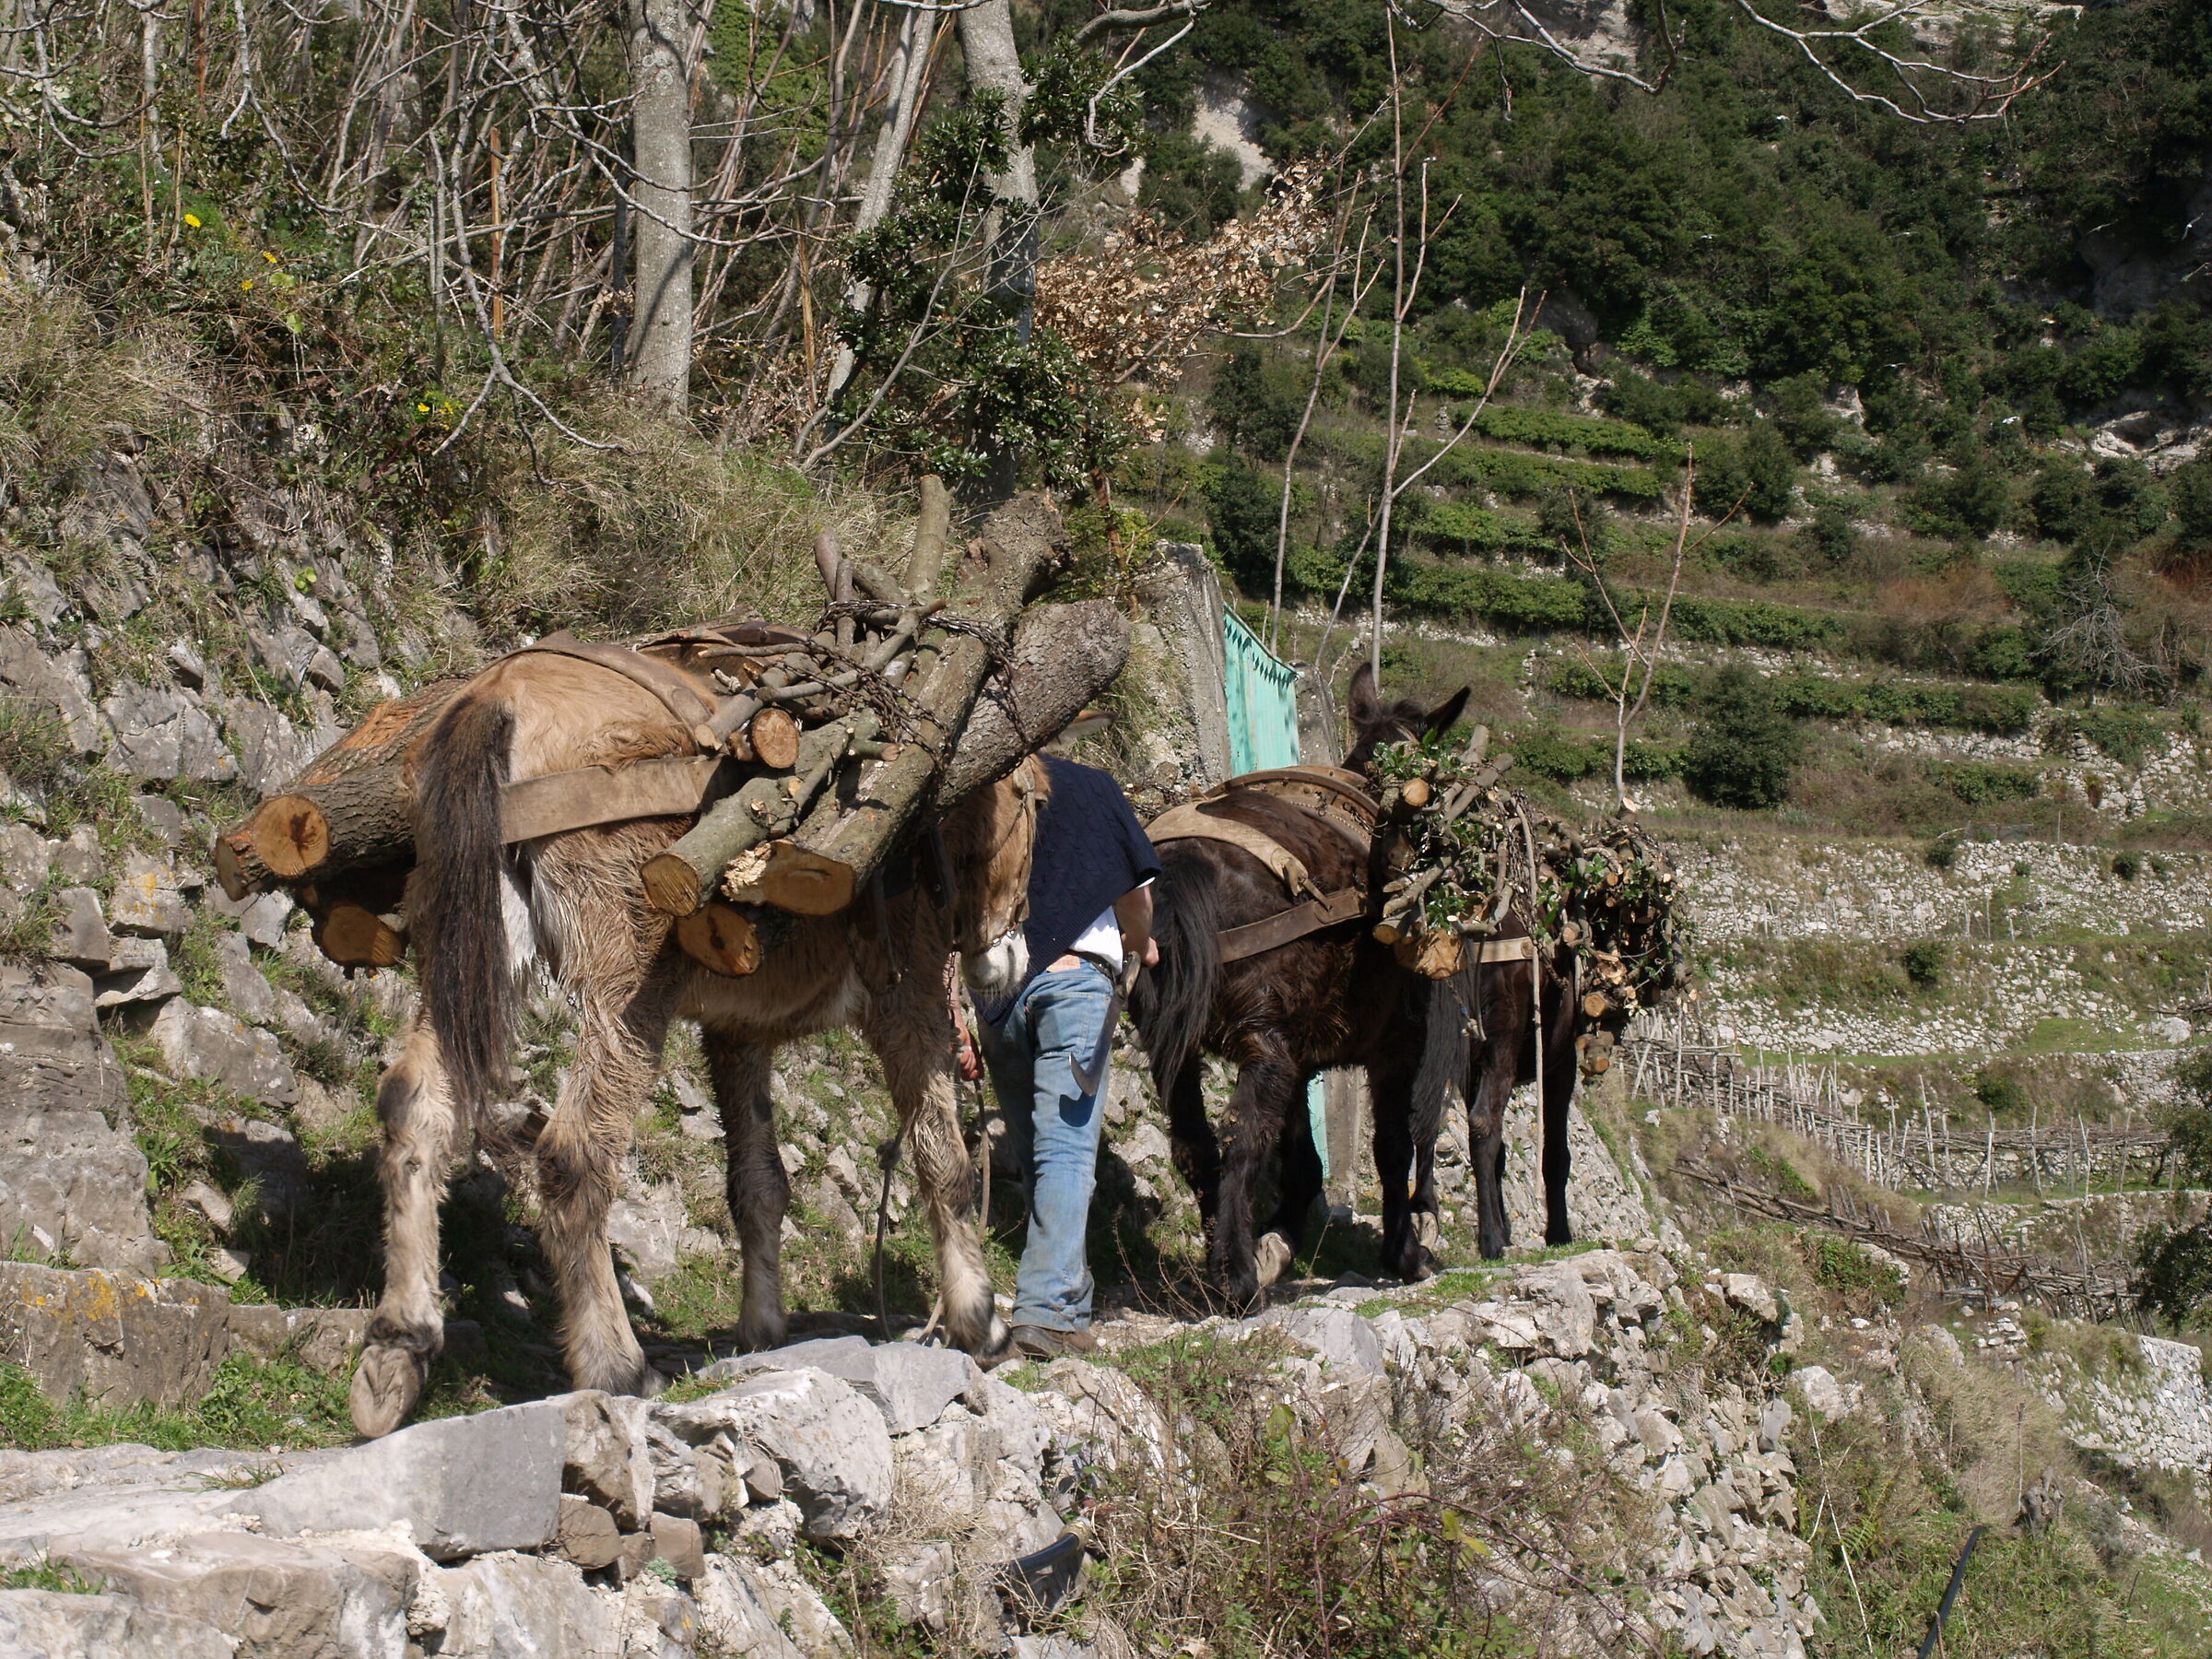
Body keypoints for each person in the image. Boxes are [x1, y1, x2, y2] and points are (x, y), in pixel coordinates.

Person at [964, 753, 1159, 1360]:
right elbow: (1135, 898)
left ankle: (1068, 1307)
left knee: (1036, 1154)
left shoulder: (980, 786)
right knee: (1066, 1153)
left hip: (997, 994)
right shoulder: (1093, 787)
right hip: (1075, 983)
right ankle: (1046, 1313)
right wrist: (1141, 943)